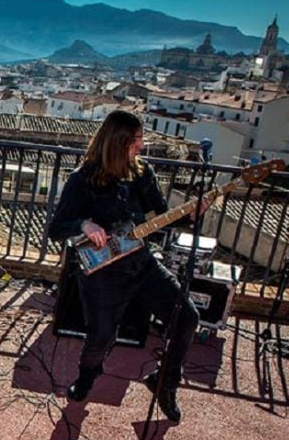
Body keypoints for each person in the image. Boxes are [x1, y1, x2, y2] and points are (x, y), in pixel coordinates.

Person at [47, 109, 204, 422]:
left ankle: (165, 381)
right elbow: (56, 228)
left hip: (140, 264)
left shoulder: (141, 174)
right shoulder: (83, 179)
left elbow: (159, 217)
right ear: (117, 142)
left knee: (187, 317)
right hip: (101, 274)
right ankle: (88, 377)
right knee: (100, 336)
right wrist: (84, 224)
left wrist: (188, 215)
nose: (141, 146)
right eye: (135, 140)